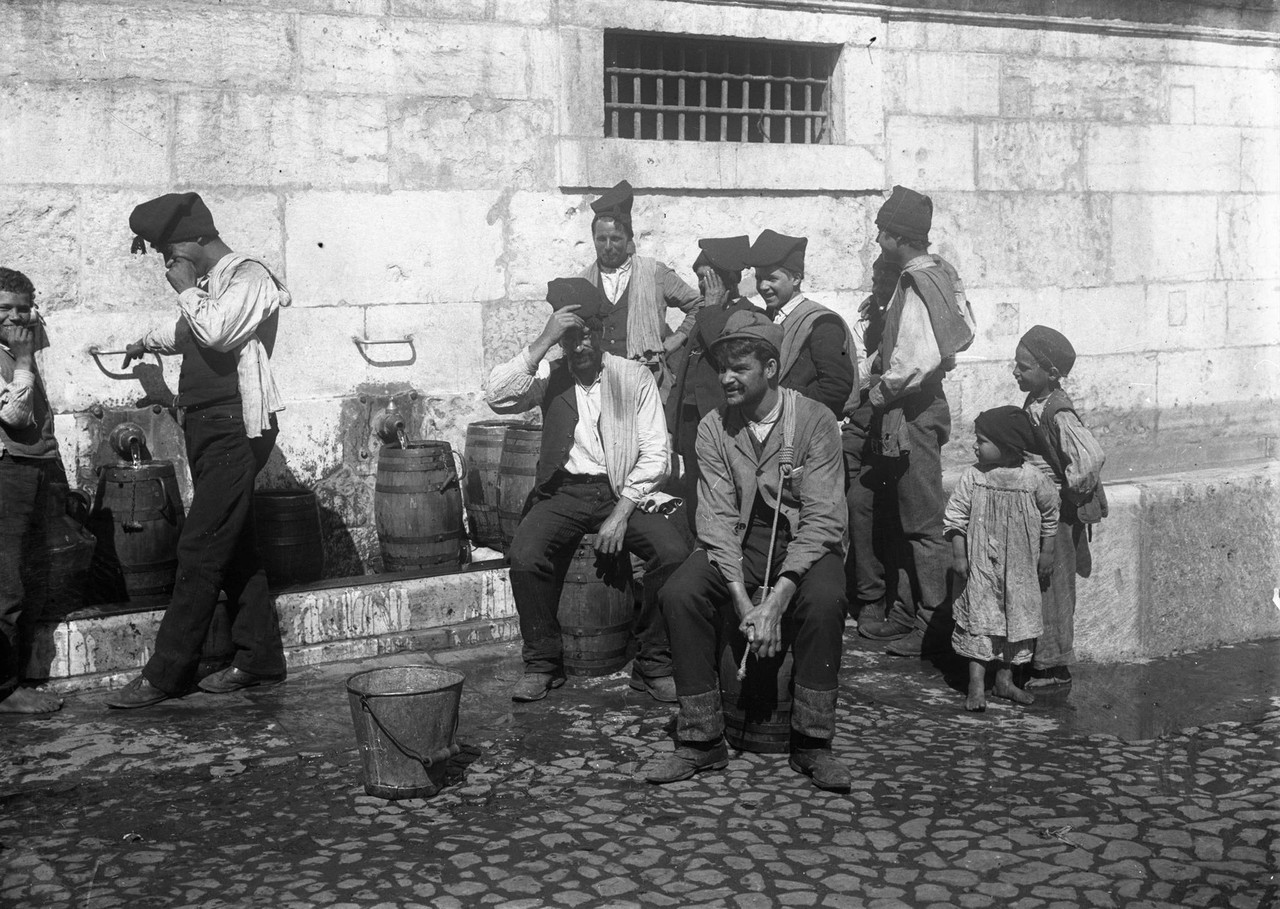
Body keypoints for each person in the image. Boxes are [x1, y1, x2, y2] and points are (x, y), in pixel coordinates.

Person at [644, 310, 850, 792]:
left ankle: (813, 743)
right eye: (722, 369)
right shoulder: (714, 427)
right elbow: (714, 519)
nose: (726, 379)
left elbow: (823, 519)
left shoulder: (815, 421)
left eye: (740, 369)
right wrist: (744, 606)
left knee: (824, 601)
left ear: (772, 369)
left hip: (805, 544)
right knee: (679, 593)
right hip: (740, 543)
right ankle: (701, 741)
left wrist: (775, 602)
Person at [106, 192, 291, 708]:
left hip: (237, 429)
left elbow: (215, 329)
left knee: (200, 544)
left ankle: (167, 673)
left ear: (194, 239)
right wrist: (143, 340)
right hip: (208, 428)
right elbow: (184, 330)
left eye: (169, 250)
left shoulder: (250, 278)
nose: (167, 262)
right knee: (235, 545)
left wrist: (185, 287)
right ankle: (258, 658)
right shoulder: (213, 288)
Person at [486, 278, 690, 704]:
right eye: (571, 338)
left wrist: (620, 513)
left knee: (672, 554)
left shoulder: (632, 376)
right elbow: (496, 395)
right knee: (525, 556)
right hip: (565, 494)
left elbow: (657, 455)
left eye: (587, 336)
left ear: (601, 335)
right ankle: (543, 662)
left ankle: (654, 663)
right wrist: (545, 339)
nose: (580, 347)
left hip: (623, 492)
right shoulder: (550, 376)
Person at [853, 186, 974, 657]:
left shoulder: (914, 283)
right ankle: (906, 612)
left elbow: (911, 363)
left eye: (883, 231)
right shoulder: (941, 272)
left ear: (895, 236)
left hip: (913, 411)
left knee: (923, 523)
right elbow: (961, 333)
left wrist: (873, 392)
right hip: (914, 407)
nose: (878, 239)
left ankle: (934, 625)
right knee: (902, 516)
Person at [945, 406, 1059, 712]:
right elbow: (955, 516)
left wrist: (1047, 553)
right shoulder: (974, 477)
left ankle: (1005, 683)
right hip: (982, 566)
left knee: (1014, 622)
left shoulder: (1033, 479)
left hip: (1019, 568)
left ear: (1006, 446)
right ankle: (976, 685)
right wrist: (959, 554)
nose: (975, 446)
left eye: (981, 440)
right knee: (981, 621)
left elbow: (1050, 516)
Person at [1014, 326, 1107, 689]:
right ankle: (1041, 659)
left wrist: (1060, 487)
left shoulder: (1059, 412)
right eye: (1016, 365)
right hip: (1049, 511)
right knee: (1043, 582)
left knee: (1055, 586)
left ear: (1050, 373)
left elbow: (1090, 459)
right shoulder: (1036, 402)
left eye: (1024, 367)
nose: (1016, 372)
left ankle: (1054, 667)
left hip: (1065, 514)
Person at [0, 267, 65, 715]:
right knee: (7, 582)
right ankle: (5, 688)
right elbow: (16, 418)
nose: (17, 316)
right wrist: (23, 359)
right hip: (9, 472)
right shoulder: (14, 355)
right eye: (5, 308)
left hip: (31, 469)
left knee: (24, 571)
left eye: (24, 308)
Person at [665, 235, 759, 530]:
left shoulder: (747, 313)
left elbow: (725, 353)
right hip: (693, 420)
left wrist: (713, 309)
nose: (702, 286)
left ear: (727, 279)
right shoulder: (708, 311)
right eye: (699, 278)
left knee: (716, 493)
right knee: (694, 489)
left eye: (708, 278)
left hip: (721, 422)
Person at [580, 180, 703, 394]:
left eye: (616, 239)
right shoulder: (583, 282)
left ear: (629, 238)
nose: (608, 247)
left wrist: (678, 337)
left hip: (646, 381)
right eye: (601, 239)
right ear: (593, 239)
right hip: (596, 384)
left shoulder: (655, 273)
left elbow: (699, 305)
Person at [743, 229, 855, 420]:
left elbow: (836, 388)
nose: (762, 286)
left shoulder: (822, 323)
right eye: (759, 278)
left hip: (803, 425)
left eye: (772, 278)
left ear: (796, 278)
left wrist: (781, 403)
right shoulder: (767, 318)